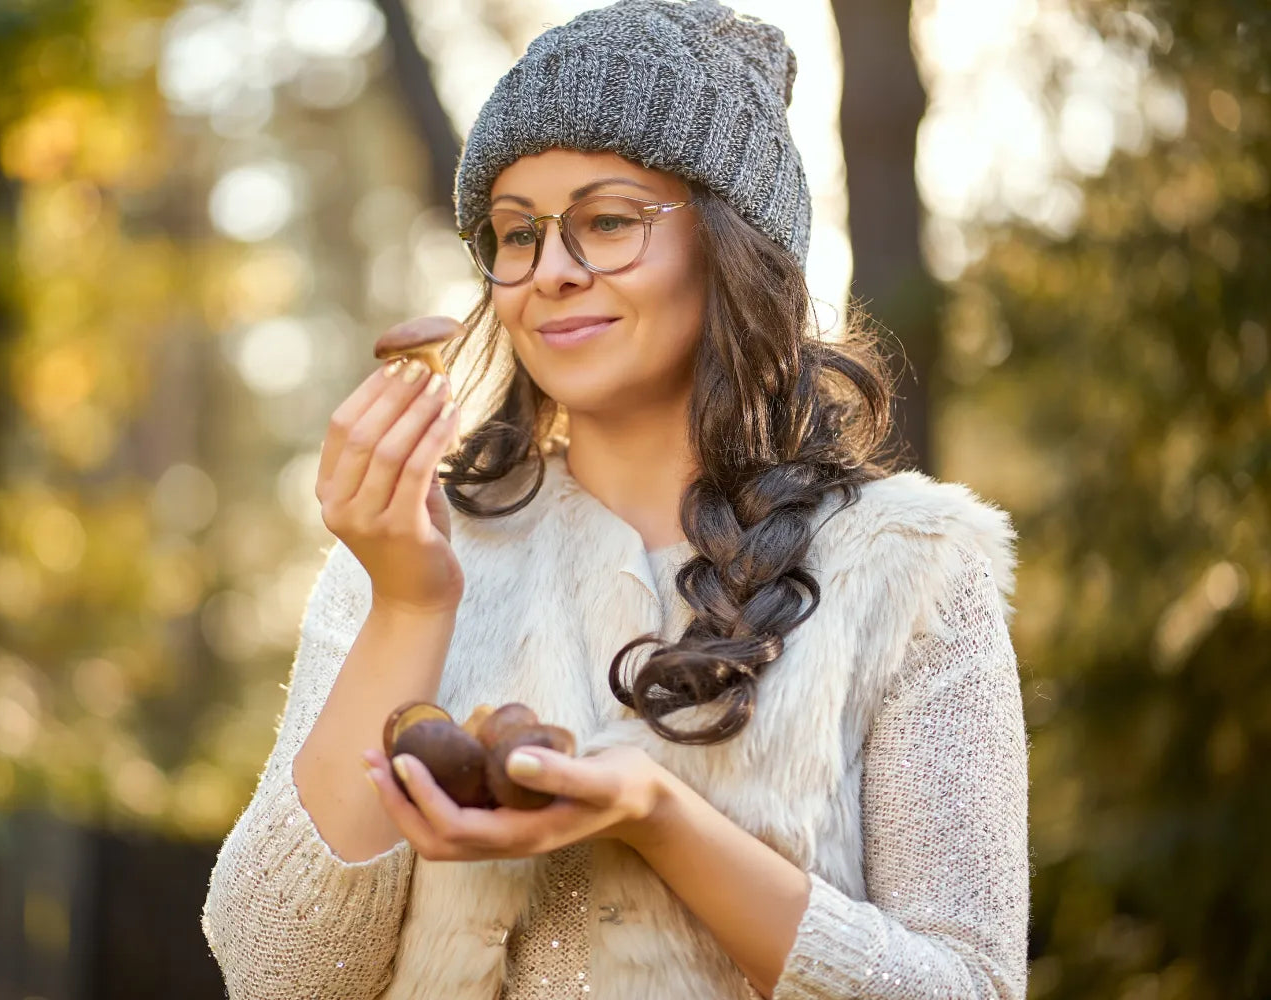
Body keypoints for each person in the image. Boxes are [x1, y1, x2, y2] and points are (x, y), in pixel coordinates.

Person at [200, 1, 1029, 998]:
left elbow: (970, 985)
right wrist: (409, 606)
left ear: (735, 246)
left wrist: (658, 816)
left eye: (606, 221)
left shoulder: (917, 570)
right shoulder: (408, 551)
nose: (551, 272)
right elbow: (276, 975)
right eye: (516, 234)